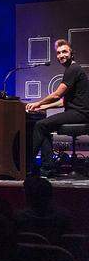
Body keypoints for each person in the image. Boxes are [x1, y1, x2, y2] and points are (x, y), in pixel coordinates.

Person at [26, 39, 89, 177]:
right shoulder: (72, 69)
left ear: (71, 53)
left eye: (64, 51)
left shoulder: (73, 69)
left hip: (80, 113)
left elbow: (57, 95)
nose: (61, 55)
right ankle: (48, 167)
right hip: (77, 112)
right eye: (59, 53)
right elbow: (62, 102)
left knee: (40, 125)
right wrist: (43, 106)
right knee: (44, 126)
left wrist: (38, 103)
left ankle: (28, 164)